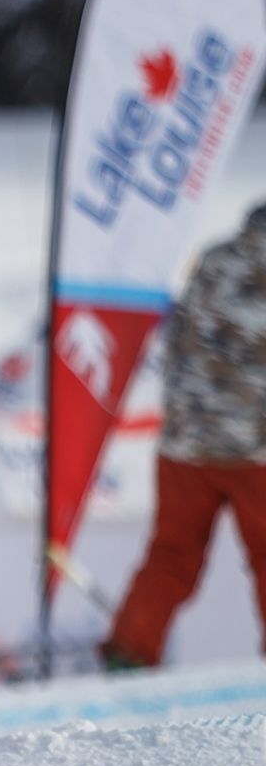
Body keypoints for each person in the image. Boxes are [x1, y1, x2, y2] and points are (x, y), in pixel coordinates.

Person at [101, 204, 266, 671]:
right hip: (254, 446)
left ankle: (128, 655)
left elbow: (177, 337)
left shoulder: (215, 258)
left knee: (171, 554)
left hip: (185, 441)